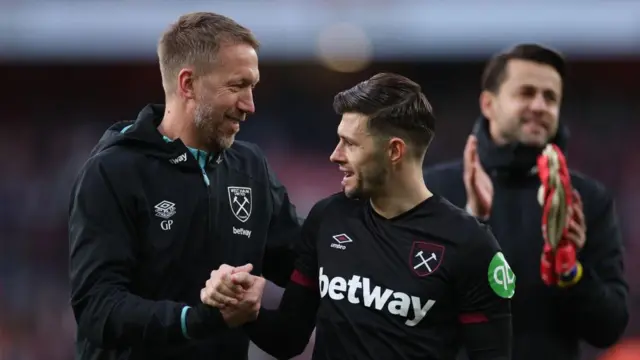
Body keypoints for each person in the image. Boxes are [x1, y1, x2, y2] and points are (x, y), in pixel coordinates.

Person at [201, 73, 514, 360]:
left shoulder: (471, 246)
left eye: (349, 143)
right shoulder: (328, 218)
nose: (335, 154)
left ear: (394, 151)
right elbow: (288, 339)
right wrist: (242, 310)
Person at [68, 12, 301, 360]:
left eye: (252, 87)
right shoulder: (113, 171)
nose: (249, 105)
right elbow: (98, 309)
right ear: (188, 84)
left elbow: (302, 264)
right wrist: (197, 319)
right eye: (236, 86)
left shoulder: (250, 167)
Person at [422, 44, 628, 360]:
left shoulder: (586, 199)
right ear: (489, 104)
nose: (540, 105)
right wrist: (470, 225)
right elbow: (405, 309)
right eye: (526, 92)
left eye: (551, 97)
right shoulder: (433, 189)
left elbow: (608, 328)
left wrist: (571, 272)